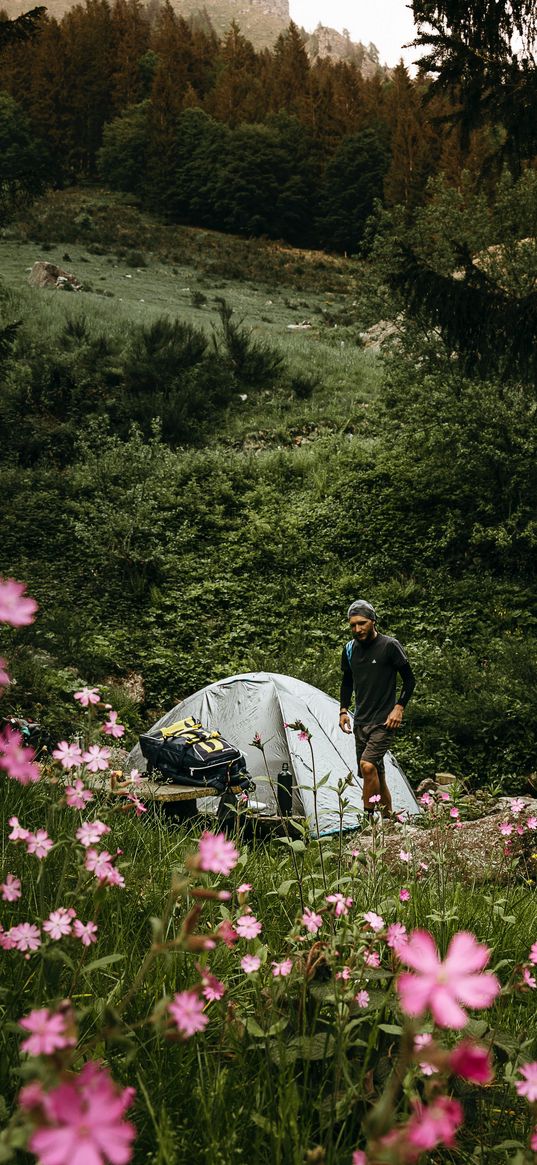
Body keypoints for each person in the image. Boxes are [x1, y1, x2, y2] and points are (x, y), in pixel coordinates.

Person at [338, 599, 415, 818]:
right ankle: (389, 820)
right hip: (361, 721)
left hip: (384, 721)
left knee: (367, 766)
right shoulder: (350, 649)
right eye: (352, 625)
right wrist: (343, 710)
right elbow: (347, 682)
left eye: (361, 623)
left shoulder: (389, 646)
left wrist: (399, 707)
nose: (357, 629)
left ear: (373, 621)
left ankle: (367, 822)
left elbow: (410, 680)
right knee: (376, 776)